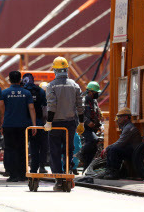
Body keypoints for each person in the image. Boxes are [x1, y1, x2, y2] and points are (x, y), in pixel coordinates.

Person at [44, 56, 84, 191]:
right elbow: (80, 106)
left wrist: (48, 122)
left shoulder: (51, 86)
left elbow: (51, 106)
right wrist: (82, 122)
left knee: (55, 152)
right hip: (70, 123)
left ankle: (59, 180)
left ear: (55, 70)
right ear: (67, 69)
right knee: (69, 150)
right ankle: (69, 174)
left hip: (55, 124)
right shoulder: (74, 85)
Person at [2, 71, 36, 182]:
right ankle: (22, 174)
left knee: (10, 149)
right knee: (22, 149)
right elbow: (31, 108)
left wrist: (1, 122)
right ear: (20, 79)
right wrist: (34, 125)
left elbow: (1, 109)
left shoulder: (5, 93)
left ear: (9, 79)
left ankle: (13, 175)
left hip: (8, 125)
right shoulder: (26, 93)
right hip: (23, 125)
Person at [100, 107, 142, 180]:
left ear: (126, 117)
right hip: (129, 149)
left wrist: (107, 148)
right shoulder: (126, 127)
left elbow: (120, 143)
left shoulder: (129, 128)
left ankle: (114, 172)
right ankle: (109, 170)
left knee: (113, 149)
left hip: (134, 151)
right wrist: (108, 148)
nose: (118, 119)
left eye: (120, 117)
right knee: (111, 149)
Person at [22, 73, 48, 174]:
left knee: (21, 147)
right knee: (37, 146)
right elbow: (45, 108)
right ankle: (37, 168)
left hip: (22, 123)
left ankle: (21, 170)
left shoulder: (21, 91)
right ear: (33, 80)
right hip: (37, 122)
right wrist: (44, 121)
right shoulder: (40, 91)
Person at [79, 81, 103, 169]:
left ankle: (86, 168)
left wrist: (98, 124)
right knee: (94, 140)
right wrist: (87, 122)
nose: (97, 94)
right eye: (95, 92)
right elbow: (79, 113)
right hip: (83, 127)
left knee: (93, 148)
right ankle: (81, 154)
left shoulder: (94, 101)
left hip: (93, 128)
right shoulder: (83, 100)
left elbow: (96, 113)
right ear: (90, 92)